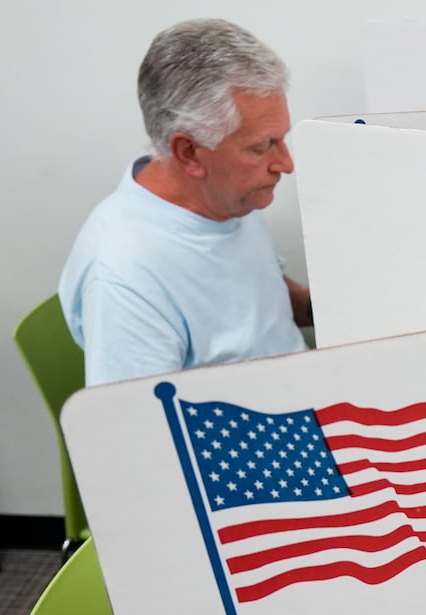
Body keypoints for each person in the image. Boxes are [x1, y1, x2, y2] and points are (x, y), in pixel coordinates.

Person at [60, 18, 311, 386]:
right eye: (261, 147)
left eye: (281, 139)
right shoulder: (126, 277)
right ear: (189, 151)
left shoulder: (227, 196)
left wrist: (335, 307)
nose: (285, 164)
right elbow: (137, 433)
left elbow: (261, 297)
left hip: (304, 392)